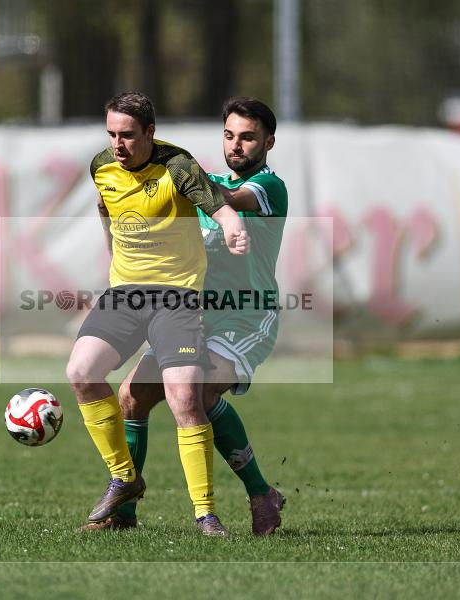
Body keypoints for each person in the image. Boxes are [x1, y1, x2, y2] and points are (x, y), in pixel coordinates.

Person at [88, 97, 288, 535]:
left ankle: (260, 494)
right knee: (131, 396)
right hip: (189, 313)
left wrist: (184, 180)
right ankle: (123, 515)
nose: (236, 145)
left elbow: (229, 198)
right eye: (229, 135)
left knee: (195, 391)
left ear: (268, 141)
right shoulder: (195, 180)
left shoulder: (268, 186)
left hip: (245, 317)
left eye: (248, 137)